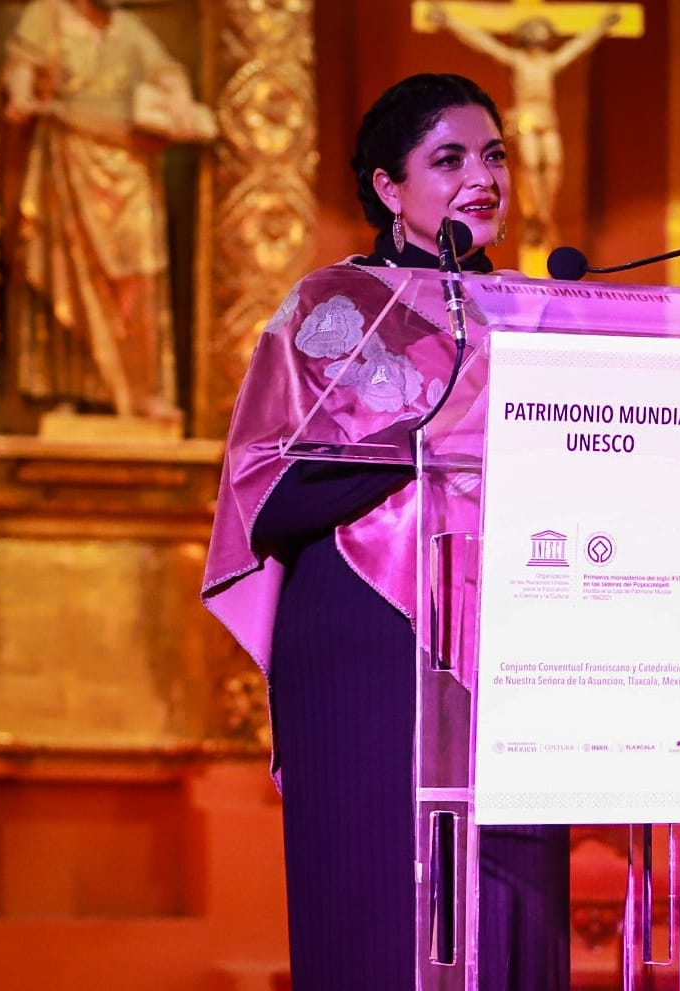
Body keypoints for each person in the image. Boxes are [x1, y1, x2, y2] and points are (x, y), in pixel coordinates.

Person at [202, 74, 567, 991]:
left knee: (505, 921)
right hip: (365, 636)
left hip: (523, 631)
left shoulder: (541, 315)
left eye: (493, 156)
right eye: (449, 158)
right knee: (379, 911)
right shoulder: (332, 308)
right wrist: (432, 434)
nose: (483, 177)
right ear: (388, 187)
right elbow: (266, 494)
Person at [0, 0, 214, 426]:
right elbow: (23, 62)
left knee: (139, 276)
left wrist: (178, 99)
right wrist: (22, 96)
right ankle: (65, 391)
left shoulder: (127, 29)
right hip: (69, 160)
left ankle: (142, 391)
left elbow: (166, 70)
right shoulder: (48, 15)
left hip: (128, 163)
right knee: (68, 271)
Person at [427, 3, 620, 247]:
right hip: (526, 118)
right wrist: (449, 22)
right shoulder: (518, 61)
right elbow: (483, 42)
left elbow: (578, 47)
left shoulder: (549, 62)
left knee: (553, 165)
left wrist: (601, 26)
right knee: (530, 166)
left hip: (547, 119)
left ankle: (542, 215)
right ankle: (540, 219)